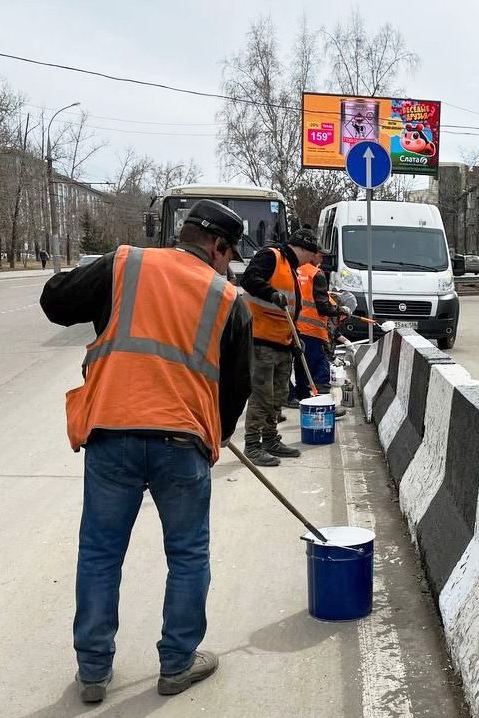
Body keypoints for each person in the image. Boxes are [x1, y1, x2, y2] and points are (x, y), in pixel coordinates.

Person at [39, 200, 253, 703]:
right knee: (187, 554)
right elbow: (237, 387)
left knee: (99, 552)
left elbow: (55, 301)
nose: (229, 264)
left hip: (112, 434)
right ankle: (177, 663)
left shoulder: (125, 264)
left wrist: (92, 281)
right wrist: (214, 434)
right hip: (183, 444)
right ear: (218, 247)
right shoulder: (228, 299)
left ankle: (93, 671)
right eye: (230, 254)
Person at [239, 227, 320, 466]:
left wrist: (295, 340)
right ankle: (253, 444)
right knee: (262, 395)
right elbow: (249, 280)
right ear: (303, 248)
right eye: (312, 253)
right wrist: (271, 294)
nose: (313, 259)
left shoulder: (292, 268)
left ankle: (271, 439)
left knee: (278, 396)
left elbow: (289, 310)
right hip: (262, 339)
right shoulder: (271, 256)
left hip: (282, 341)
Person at [286, 230, 350, 413]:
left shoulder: (294, 269)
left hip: (294, 328)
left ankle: (301, 398)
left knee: (301, 367)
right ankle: (323, 406)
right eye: (320, 255)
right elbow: (322, 306)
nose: (321, 259)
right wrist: (340, 311)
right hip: (312, 330)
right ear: (312, 254)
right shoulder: (317, 274)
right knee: (320, 369)